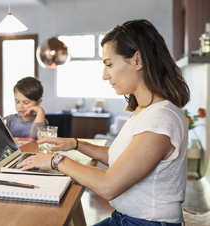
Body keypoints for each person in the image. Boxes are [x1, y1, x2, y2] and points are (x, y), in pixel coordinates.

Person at [18, 19, 190, 226]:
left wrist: (56, 161)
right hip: (126, 218)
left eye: (109, 64)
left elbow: (109, 186)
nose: (104, 75)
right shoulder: (145, 111)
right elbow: (120, 158)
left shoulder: (161, 119)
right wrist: (75, 144)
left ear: (138, 60)